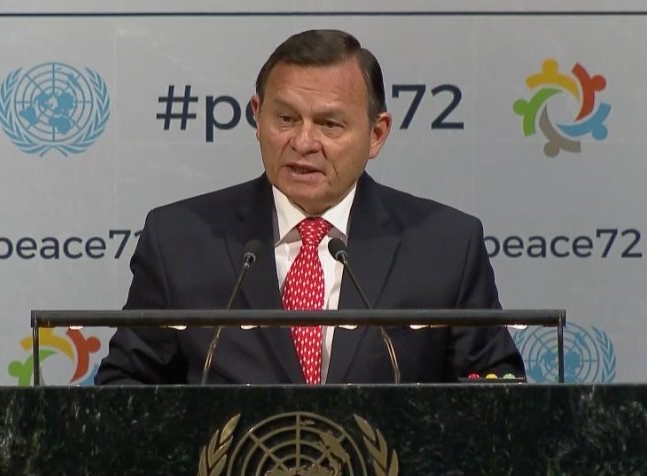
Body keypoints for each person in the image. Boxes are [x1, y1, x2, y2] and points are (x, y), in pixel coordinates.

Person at [95, 29, 524, 385]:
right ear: (258, 116)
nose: (303, 142)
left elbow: (497, 391)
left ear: (376, 134)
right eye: (285, 119)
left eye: (329, 124)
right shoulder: (179, 240)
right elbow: (124, 387)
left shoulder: (445, 246)